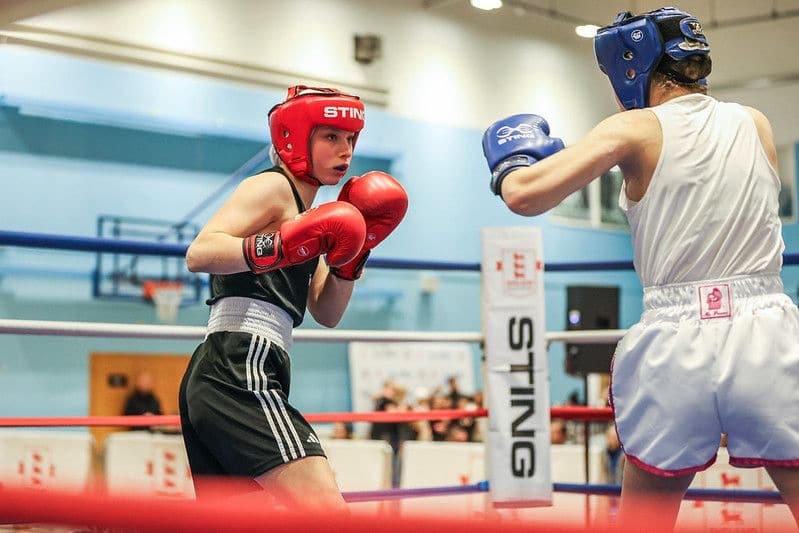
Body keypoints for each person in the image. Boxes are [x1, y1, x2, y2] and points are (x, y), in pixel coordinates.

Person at [482, 7, 798, 531]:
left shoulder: (633, 128)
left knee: (644, 514)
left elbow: (523, 196)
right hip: (764, 327)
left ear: (631, 65)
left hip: (677, 338)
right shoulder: (755, 121)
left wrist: (513, 160)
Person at [178, 85, 408, 511]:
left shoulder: (312, 218)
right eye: (331, 137)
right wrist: (280, 245)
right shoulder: (272, 189)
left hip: (249, 366)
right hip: (238, 366)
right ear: (296, 139)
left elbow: (327, 311)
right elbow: (200, 253)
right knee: (327, 510)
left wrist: (356, 253)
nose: (346, 151)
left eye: (351, 140)